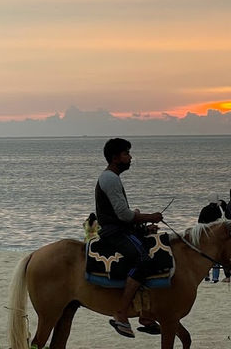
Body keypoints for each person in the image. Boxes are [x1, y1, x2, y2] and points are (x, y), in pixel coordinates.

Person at [96, 138, 163, 339]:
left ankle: (146, 314)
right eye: (126, 154)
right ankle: (121, 313)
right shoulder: (110, 179)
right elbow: (123, 215)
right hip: (114, 232)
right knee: (144, 259)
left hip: (120, 229)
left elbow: (124, 215)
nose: (130, 157)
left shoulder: (112, 178)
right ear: (116, 157)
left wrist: (143, 226)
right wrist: (150, 216)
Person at [198, 194, 225, 283]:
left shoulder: (205, 209)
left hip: (206, 234)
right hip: (216, 235)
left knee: (206, 255)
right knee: (216, 256)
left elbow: (200, 223)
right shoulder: (218, 210)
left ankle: (206, 275)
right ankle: (215, 278)